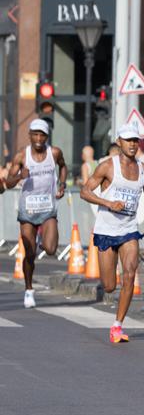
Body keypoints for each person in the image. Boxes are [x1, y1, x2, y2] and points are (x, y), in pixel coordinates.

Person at [79, 124, 144, 343]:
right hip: (105, 230)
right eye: (128, 140)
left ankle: (117, 325)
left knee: (130, 273)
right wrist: (108, 203)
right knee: (109, 285)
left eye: (136, 140)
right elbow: (85, 192)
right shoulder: (107, 167)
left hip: (128, 230)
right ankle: (113, 298)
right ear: (119, 142)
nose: (133, 144)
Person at [5, 119, 68, 308]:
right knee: (30, 253)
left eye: (42, 135)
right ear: (30, 135)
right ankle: (29, 289)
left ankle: (41, 241)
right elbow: (7, 183)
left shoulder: (54, 153)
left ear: (47, 137)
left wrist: (62, 184)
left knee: (50, 249)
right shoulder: (21, 157)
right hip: (28, 210)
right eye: (35, 134)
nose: (38, 138)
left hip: (48, 208)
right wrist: (19, 177)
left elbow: (63, 167)